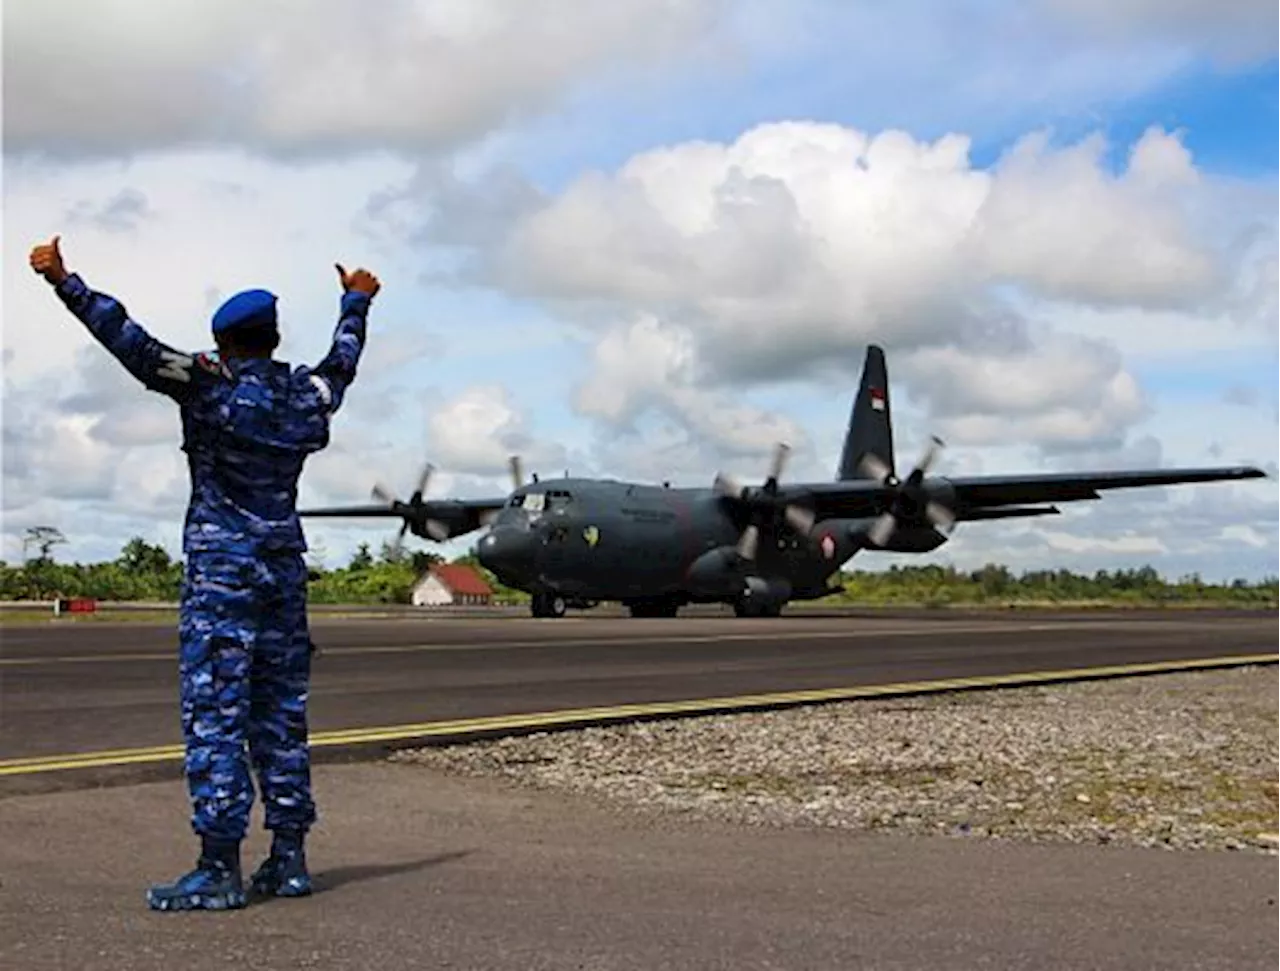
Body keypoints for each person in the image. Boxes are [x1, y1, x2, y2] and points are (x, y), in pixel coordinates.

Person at [29, 235, 379, 911]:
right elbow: (343, 364)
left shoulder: (208, 385)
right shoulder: (307, 396)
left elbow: (129, 341)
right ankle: (290, 857)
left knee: (216, 716)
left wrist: (64, 281)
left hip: (223, 572)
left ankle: (219, 866)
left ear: (223, 345)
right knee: (280, 715)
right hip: (282, 571)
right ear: (272, 339)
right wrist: (356, 302)